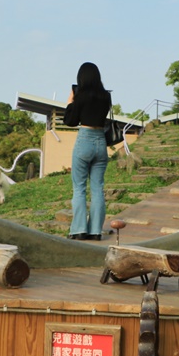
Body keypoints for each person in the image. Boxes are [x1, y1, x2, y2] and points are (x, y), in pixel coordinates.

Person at [63, 62, 112, 241]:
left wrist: (71, 101)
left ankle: (79, 230)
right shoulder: (106, 96)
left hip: (84, 140)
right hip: (101, 142)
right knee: (98, 188)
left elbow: (70, 121)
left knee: (79, 188)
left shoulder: (80, 95)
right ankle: (95, 231)